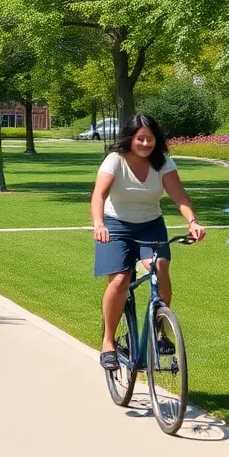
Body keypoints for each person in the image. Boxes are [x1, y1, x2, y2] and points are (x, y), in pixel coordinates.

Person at [91, 114, 205, 371]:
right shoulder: (115, 160)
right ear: (130, 138)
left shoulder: (163, 163)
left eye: (150, 139)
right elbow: (99, 194)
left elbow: (180, 197)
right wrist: (99, 224)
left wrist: (193, 222)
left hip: (150, 225)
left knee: (160, 265)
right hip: (115, 225)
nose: (145, 143)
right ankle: (108, 342)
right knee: (120, 280)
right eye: (140, 138)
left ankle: (160, 329)